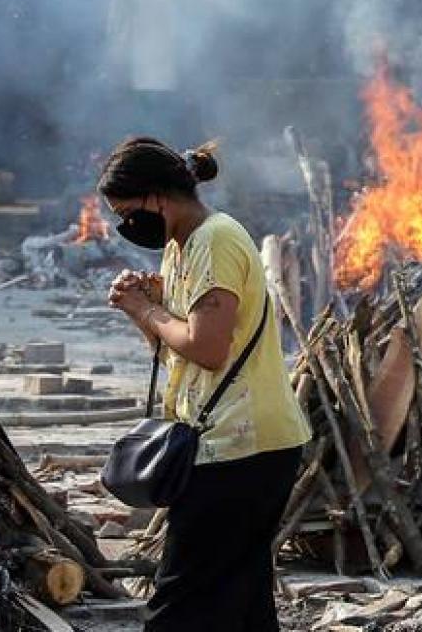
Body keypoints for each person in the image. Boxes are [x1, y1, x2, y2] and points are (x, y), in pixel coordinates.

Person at [101, 137, 310, 632]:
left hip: (240, 447)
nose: (127, 226)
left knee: (179, 603)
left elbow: (208, 348)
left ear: (157, 197)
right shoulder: (182, 245)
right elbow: (178, 353)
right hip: (230, 444)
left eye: (127, 213)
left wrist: (146, 310)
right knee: (243, 602)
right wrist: (148, 310)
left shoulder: (215, 241)